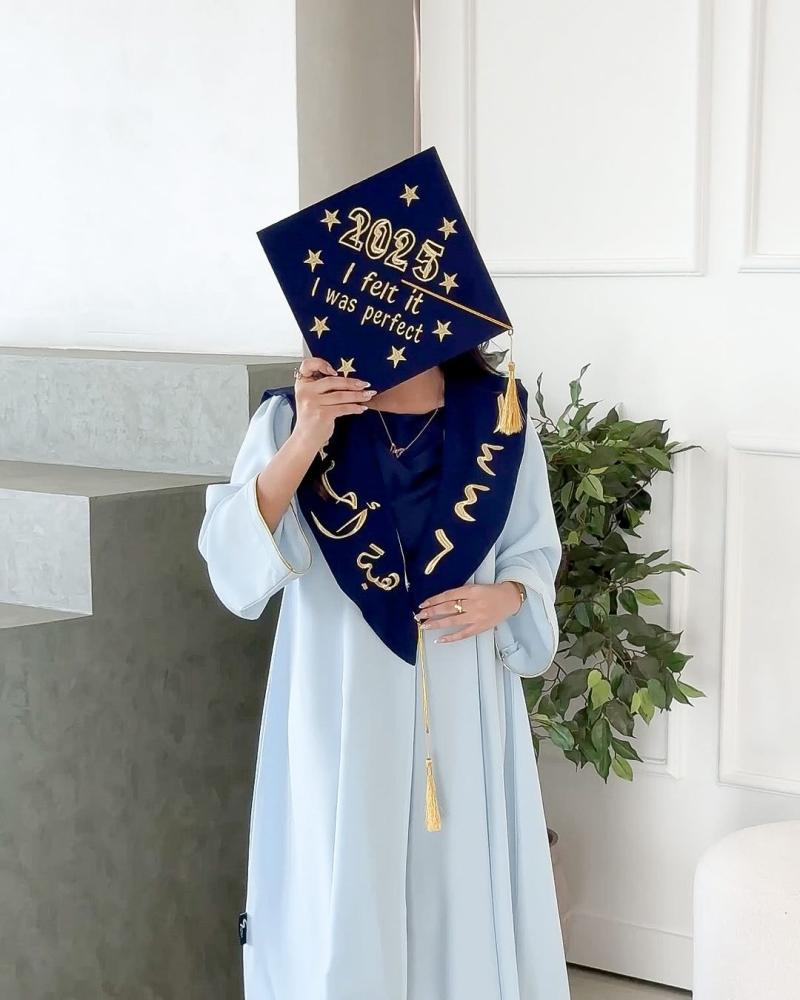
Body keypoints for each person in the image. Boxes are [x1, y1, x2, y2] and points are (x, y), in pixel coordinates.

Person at [198, 347, 571, 1000]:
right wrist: (307, 437)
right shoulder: (294, 415)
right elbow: (232, 565)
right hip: (336, 694)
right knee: (342, 875)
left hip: (460, 692)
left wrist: (508, 596)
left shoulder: (499, 418)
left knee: (457, 884)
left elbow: (533, 549)